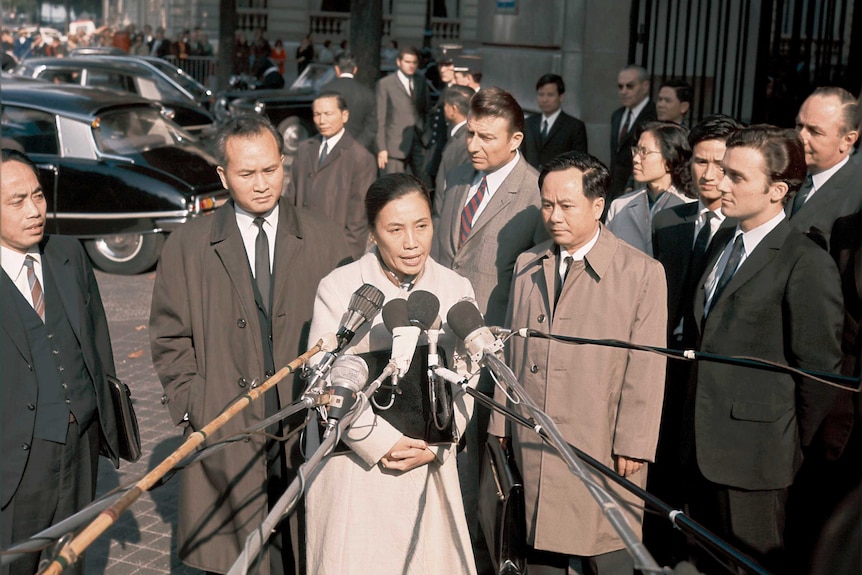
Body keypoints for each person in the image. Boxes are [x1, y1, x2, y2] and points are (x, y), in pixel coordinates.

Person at [149, 115, 350, 575]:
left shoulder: (326, 237)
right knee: (241, 557)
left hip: (305, 426)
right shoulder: (188, 244)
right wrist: (193, 403)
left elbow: (349, 332)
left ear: (285, 165)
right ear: (222, 176)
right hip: (226, 425)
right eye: (246, 174)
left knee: (307, 547)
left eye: (270, 170)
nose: (261, 185)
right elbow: (168, 335)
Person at [490, 151, 667, 575]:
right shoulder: (528, 264)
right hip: (533, 438)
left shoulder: (641, 273)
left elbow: (645, 369)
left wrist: (634, 444)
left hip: (600, 440)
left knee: (604, 546)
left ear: (597, 205)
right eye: (547, 204)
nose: (554, 216)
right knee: (537, 550)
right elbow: (510, 350)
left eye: (566, 205)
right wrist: (500, 424)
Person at [684, 125, 844, 573]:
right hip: (699, 448)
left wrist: (788, 446)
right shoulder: (723, 240)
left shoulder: (805, 261)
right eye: (719, 169)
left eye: (736, 176)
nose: (719, 181)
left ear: (777, 190)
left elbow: (819, 374)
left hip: (758, 460)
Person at [304, 173, 479, 574]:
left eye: (421, 226)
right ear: (372, 233)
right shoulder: (339, 288)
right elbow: (327, 377)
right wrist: (382, 442)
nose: (412, 242)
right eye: (395, 229)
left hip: (428, 463)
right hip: (357, 469)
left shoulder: (454, 287)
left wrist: (439, 442)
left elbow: (470, 377)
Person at [433, 86, 546, 574]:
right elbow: (443, 253)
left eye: (486, 137)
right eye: (471, 134)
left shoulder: (537, 192)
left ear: (516, 139)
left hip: (492, 352)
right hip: (440, 341)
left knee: (480, 469)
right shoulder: (457, 177)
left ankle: (479, 557)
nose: (473, 145)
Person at [1, 149, 121, 575]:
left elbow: (97, 337)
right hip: (14, 462)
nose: (34, 211)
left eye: (38, 196)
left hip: (80, 446)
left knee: (70, 561)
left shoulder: (68, 255)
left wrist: (102, 415)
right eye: (17, 201)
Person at [646, 114, 741, 566]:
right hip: (666, 366)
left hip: (714, 375)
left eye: (720, 164)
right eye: (701, 162)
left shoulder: (742, 231)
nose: (708, 174)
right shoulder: (669, 221)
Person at [783, 86, 861, 571]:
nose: (801, 137)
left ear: (849, 138)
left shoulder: (856, 197)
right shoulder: (792, 179)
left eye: (815, 130)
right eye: (799, 124)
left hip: (830, 384)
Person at [287, 92, 376, 259]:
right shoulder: (305, 149)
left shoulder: (360, 158)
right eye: (317, 114)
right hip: (300, 245)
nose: (322, 121)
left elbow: (358, 218)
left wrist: (347, 257)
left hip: (335, 250)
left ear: (345, 115)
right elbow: (291, 195)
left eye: (328, 114)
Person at [606, 121, 694, 256]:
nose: (635, 158)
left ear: (670, 158)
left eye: (644, 152)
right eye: (636, 150)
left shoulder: (689, 207)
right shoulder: (620, 206)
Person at [376, 46, 430, 181]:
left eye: (414, 63)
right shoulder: (385, 84)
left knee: (423, 184)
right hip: (395, 145)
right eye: (407, 62)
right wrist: (382, 148)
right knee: (394, 186)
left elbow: (426, 109)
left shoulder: (421, 81)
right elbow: (380, 118)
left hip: (418, 142)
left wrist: (426, 136)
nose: (411, 66)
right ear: (399, 62)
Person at [609, 65, 657, 207]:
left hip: (639, 189)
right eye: (620, 86)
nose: (624, 91)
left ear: (645, 86)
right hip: (615, 190)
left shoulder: (654, 115)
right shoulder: (617, 115)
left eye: (630, 86)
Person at [521, 73, 588, 169]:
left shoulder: (575, 126)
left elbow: (579, 163)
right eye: (541, 94)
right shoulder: (528, 123)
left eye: (550, 95)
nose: (544, 99)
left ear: (561, 97)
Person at [321, 52, 377, 154]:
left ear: (337, 69)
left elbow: (321, 120)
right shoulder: (367, 92)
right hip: (359, 149)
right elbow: (372, 125)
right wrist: (360, 144)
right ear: (355, 70)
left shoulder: (326, 90)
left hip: (332, 149)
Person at [433, 84, 473, 216]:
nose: (443, 109)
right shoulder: (458, 135)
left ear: (453, 109)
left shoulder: (463, 141)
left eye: (445, 105)